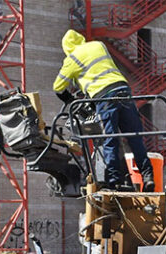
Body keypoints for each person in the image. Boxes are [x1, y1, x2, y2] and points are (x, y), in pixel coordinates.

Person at [53, 29, 155, 192]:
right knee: (135, 138)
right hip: (124, 91)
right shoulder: (98, 45)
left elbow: (57, 87)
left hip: (104, 97)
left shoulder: (72, 59)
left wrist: (70, 101)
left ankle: (114, 182)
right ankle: (148, 176)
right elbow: (100, 70)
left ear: (67, 48)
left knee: (110, 140)